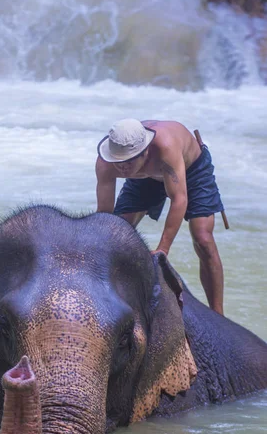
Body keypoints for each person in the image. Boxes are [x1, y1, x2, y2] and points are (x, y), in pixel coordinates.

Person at [96, 118, 225, 315]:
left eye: (129, 160)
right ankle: (118, 305)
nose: (122, 168)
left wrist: (163, 248)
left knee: (203, 238)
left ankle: (218, 315)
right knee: (118, 232)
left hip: (191, 169)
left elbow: (179, 199)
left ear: (145, 151)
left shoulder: (166, 148)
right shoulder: (106, 163)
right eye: (118, 162)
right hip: (144, 178)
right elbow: (105, 217)